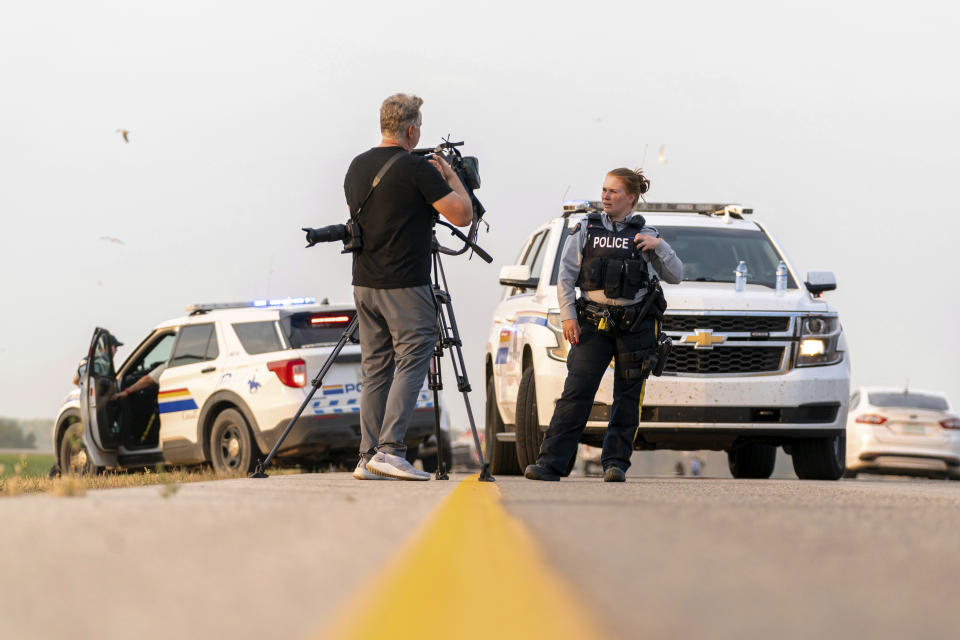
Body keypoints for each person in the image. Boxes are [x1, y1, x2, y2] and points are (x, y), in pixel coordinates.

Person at [340, 93, 472, 481]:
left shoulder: (356, 167)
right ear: (412, 130)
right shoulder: (417, 170)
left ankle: (367, 456)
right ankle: (391, 449)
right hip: (405, 281)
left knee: (376, 368)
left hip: (364, 283)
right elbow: (462, 216)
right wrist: (452, 178)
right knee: (415, 354)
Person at [524, 168, 683, 482]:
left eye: (614, 191)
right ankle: (551, 464)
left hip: (634, 325)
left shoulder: (646, 233)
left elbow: (676, 274)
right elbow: (566, 278)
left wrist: (659, 245)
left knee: (627, 396)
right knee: (577, 393)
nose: (606, 196)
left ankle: (615, 464)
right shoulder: (586, 228)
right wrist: (568, 316)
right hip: (592, 323)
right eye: (605, 190)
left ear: (631, 198)